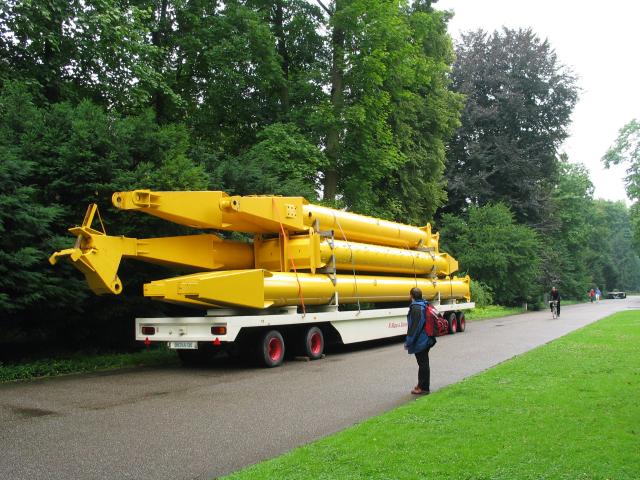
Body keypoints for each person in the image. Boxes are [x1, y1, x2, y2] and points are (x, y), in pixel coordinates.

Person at [404, 287, 435, 395]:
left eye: (410, 295)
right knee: (424, 362)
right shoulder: (425, 304)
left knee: (423, 364)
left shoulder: (416, 308)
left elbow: (415, 328)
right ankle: (422, 385)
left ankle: (423, 387)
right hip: (427, 338)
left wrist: (408, 342)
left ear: (412, 296)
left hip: (421, 340)